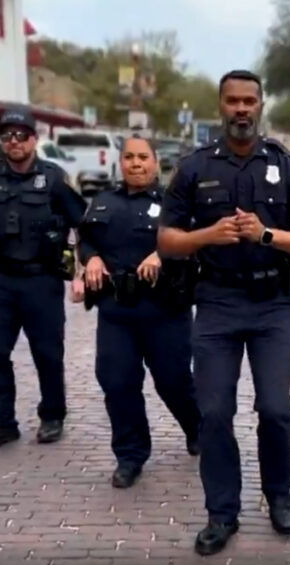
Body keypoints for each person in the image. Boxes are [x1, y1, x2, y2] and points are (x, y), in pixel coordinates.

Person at [157, 69, 290, 556]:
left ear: (260, 105)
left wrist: (267, 235)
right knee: (214, 413)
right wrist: (205, 236)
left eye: (248, 101)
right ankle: (222, 512)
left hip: (274, 305)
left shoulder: (286, 166)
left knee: (275, 408)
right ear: (221, 107)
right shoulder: (193, 168)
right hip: (215, 303)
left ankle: (279, 495)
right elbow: (166, 239)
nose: (240, 109)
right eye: (232, 101)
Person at [0, 107, 88, 454]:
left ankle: (52, 415)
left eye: (21, 135)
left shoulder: (55, 178)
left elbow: (82, 224)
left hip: (42, 280)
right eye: (8, 135)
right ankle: (1, 424)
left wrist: (82, 272)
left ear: (34, 139)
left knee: (47, 353)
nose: (14, 141)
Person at [74, 137, 202, 489]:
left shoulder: (174, 205)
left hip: (165, 309)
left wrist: (163, 253)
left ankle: (197, 428)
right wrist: (91, 258)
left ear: (156, 162)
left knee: (173, 381)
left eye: (143, 157)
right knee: (117, 383)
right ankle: (130, 455)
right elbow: (85, 239)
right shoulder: (103, 201)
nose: (136, 164)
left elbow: (195, 242)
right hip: (117, 311)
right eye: (129, 157)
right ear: (121, 162)